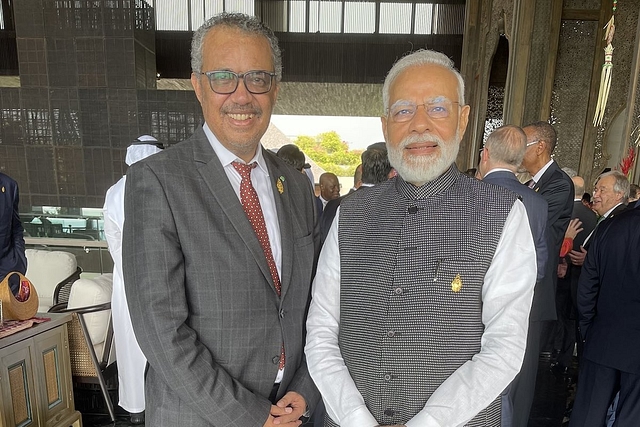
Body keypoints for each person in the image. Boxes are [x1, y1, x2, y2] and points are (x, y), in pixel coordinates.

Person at [306, 49, 537, 426]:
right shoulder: (350, 213)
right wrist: (355, 419)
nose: (419, 125)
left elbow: (504, 348)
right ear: (385, 126)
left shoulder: (502, 212)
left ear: (463, 120)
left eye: (438, 108)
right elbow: (321, 331)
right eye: (403, 111)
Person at [122, 13, 320, 427]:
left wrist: (304, 387)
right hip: (202, 416)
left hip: (290, 412)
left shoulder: (296, 186)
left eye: (258, 79)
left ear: (275, 88)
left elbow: (311, 307)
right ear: (197, 84)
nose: (242, 95)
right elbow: (161, 331)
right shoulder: (157, 181)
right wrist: (251, 417)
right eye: (224, 77)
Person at [512, 121, 574, 427]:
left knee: (524, 370)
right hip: (520, 283)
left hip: (536, 289)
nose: (519, 151)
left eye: (523, 143)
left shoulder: (559, 183)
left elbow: (527, 221)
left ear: (540, 147)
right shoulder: (532, 184)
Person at [103, 136, 163, 424]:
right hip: (163, 278)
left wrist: (129, 269)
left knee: (132, 345)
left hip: (127, 279)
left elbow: (114, 241)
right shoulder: (163, 187)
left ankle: (137, 410)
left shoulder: (115, 192)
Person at [569, 207, 640, 426]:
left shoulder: (611, 225)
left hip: (603, 335)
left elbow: (587, 286)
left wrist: (590, 326)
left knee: (587, 416)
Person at [320, 145, 392, 242]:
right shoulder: (399, 207)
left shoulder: (339, 206)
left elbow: (329, 254)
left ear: (362, 170)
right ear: (392, 173)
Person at [0, 172, 27, 295]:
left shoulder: (9, 185)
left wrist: (18, 259)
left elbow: (16, 226)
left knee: (7, 313)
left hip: (6, 267)